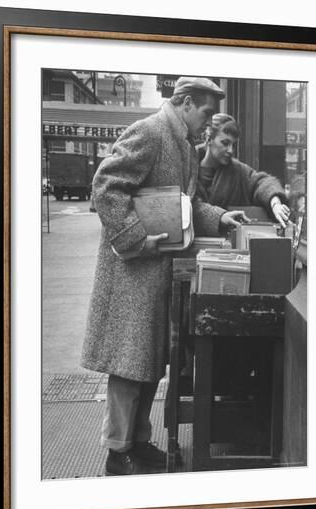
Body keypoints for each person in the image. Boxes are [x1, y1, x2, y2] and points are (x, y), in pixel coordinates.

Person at [81, 77, 232, 476]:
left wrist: (220, 217)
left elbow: (189, 204)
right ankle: (117, 453)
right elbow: (105, 186)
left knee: (149, 361)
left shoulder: (182, 142)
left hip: (154, 272)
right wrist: (136, 238)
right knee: (129, 364)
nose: (207, 124)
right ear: (183, 103)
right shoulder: (150, 131)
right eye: (204, 113)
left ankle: (138, 442)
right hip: (132, 272)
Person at [193, 113, 290, 235]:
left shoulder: (237, 170)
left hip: (229, 247)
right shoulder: (187, 166)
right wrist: (218, 217)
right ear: (208, 139)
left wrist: (275, 204)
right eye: (225, 143)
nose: (230, 150)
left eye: (233, 145)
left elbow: (262, 182)